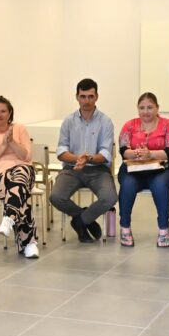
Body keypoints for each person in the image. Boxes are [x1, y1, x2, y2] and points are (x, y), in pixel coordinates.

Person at [49, 78, 117, 243]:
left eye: (90, 96)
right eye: (83, 96)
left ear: (97, 97)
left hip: (98, 170)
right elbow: (61, 150)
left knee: (110, 198)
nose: (87, 101)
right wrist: (77, 159)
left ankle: (80, 222)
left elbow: (105, 153)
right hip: (72, 169)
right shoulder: (68, 121)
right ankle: (85, 218)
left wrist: (88, 158)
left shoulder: (105, 122)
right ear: (77, 97)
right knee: (56, 197)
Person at [0, 96, 39, 258]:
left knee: (20, 174)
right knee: (21, 193)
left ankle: (9, 217)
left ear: (10, 112)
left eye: (3, 111)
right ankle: (29, 244)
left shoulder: (19, 129)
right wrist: (4, 144)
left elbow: (26, 156)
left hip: (23, 172)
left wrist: (12, 142)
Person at [117, 92, 169, 247]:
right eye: (142, 108)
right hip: (134, 169)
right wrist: (137, 154)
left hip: (163, 170)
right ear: (137, 108)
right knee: (127, 184)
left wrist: (150, 154)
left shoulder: (167, 125)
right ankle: (125, 228)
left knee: (159, 185)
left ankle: (164, 229)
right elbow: (123, 150)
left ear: (157, 108)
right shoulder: (129, 125)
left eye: (150, 107)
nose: (145, 111)